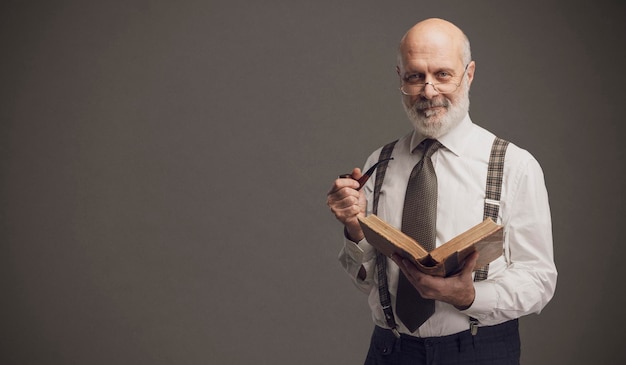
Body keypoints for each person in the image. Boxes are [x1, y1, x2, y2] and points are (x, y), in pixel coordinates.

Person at [326, 18, 557, 364]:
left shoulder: (515, 165)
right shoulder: (380, 162)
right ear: (400, 78)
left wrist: (469, 296)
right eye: (415, 76)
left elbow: (539, 280)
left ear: (469, 74)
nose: (429, 91)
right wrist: (355, 230)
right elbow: (368, 282)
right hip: (391, 351)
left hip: (479, 352)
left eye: (443, 75)